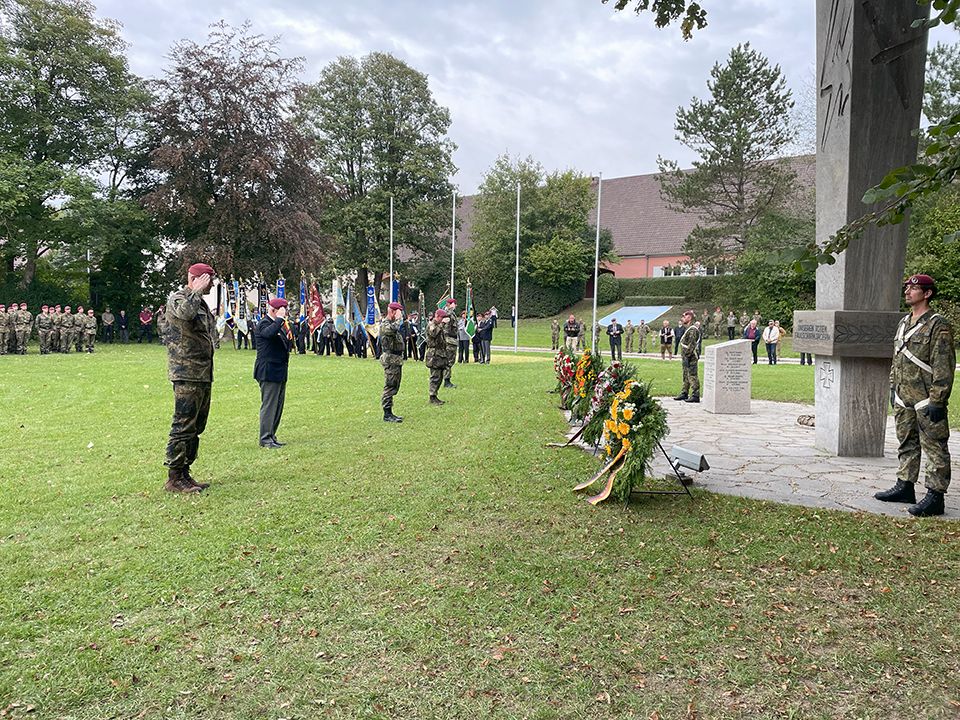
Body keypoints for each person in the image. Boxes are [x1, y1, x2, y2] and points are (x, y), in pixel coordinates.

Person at [875, 274, 955, 517]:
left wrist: (938, 399)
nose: (908, 291)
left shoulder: (937, 325)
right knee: (906, 442)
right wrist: (892, 388)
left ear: (927, 293)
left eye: (914, 288)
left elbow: (944, 365)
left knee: (934, 446)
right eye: (907, 287)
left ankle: (935, 495)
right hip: (903, 396)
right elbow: (896, 359)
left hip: (926, 398)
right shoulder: (903, 322)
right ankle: (905, 485)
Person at [163, 262, 216, 494]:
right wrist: (195, 290)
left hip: (202, 372)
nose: (211, 285)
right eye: (208, 280)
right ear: (195, 278)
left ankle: (185, 472)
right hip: (186, 372)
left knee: (197, 425)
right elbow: (185, 313)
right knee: (183, 424)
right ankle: (174, 477)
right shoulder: (179, 298)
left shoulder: (200, 302)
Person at [254, 298, 292, 447]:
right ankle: (265, 438)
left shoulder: (278, 324)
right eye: (282, 311)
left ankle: (271, 435)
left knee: (278, 405)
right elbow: (269, 334)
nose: (284, 314)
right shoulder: (264, 323)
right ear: (273, 310)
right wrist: (279, 319)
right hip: (268, 371)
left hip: (280, 370)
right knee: (269, 405)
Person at [377, 302, 406, 421]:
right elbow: (394, 329)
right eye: (398, 312)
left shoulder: (391, 324)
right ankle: (387, 414)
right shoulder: (385, 324)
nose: (400, 315)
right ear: (393, 311)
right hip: (390, 359)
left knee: (394, 385)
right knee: (390, 386)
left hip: (396, 359)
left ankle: (389, 412)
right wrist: (398, 318)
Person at [674, 310, 701, 403]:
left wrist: (688, 356)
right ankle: (684, 392)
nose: (682, 319)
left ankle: (695, 394)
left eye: (684, 317)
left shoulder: (693, 330)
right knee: (686, 375)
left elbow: (691, 345)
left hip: (691, 356)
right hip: (686, 356)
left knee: (692, 375)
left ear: (689, 317)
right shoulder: (689, 329)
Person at [426, 308, 449, 404]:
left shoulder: (439, 325)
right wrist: (442, 324)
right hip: (434, 354)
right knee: (435, 376)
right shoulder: (432, 324)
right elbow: (433, 333)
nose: (443, 320)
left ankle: (435, 395)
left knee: (440, 376)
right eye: (442, 318)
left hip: (441, 353)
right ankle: (432, 396)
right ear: (438, 316)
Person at [442, 298, 458, 388]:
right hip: (449, 340)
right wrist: (450, 308)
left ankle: (446, 379)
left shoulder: (451, 314)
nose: (455, 306)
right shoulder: (448, 313)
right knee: (449, 361)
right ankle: (446, 381)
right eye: (454, 304)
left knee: (450, 361)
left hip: (452, 340)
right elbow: (446, 328)